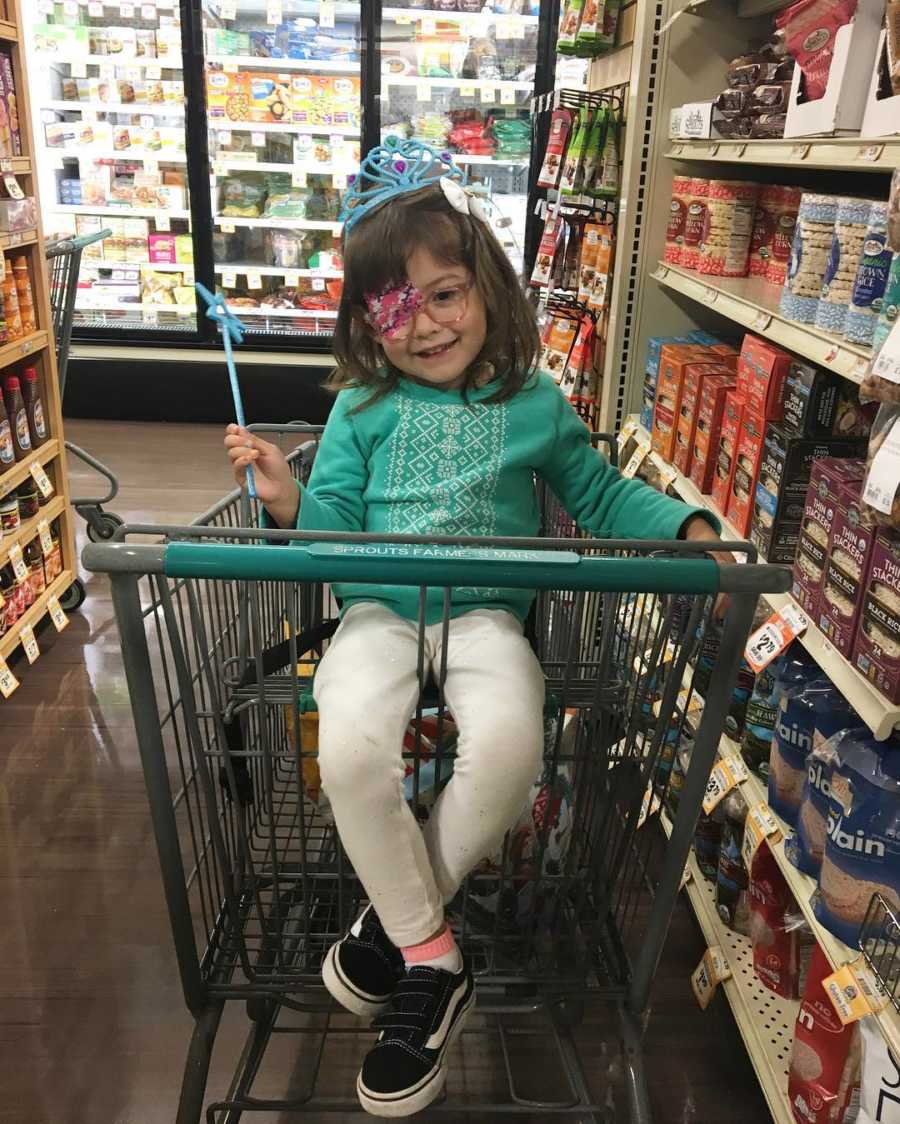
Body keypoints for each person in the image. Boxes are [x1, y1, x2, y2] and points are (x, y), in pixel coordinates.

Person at [224, 139, 728, 1118]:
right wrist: (288, 499)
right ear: (367, 324)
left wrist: (687, 530)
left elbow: (598, 491)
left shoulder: (533, 402)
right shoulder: (361, 410)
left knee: (508, 747)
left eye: (445, 293)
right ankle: (434, 953)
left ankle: (399, 928)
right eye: (395, 306)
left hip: (493, 612)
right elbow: (332, 536)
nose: (425, 323)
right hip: (376, 611)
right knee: (352, 742)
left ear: (490, 288)